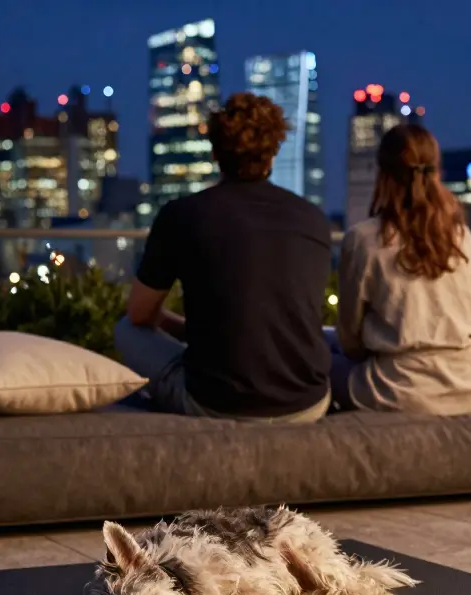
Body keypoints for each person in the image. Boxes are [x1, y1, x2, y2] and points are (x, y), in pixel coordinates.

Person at [117, 92, 333, 423]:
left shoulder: (182, 215)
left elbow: (140, 314)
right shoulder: (313, 218)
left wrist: (196, 330)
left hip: (216, 403)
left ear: (215, 152)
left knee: (125, 330)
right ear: (273, 154)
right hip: (308, 403)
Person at [330, 124, 471, 416]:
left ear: (382, 174)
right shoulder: (461, 237)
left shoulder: (364, 239)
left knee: (319, 351)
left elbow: (350, 340)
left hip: (397, 388)